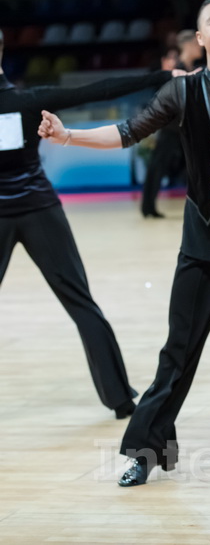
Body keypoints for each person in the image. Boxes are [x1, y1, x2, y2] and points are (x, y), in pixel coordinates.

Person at [38, 0, 210, 487]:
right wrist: (68, 135)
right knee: (178, 351)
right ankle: (147, 451)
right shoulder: (181, 92)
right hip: (202, 238)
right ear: (201, 37)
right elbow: (128, 131)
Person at [0, 28, 177, 417]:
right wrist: (163, 76)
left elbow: (100, 89)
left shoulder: (29, 100)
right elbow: (100, 90)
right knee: (81, 303)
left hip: (22, 212)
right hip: (40, 211)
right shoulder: (30, 100)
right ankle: (120, 399)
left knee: (82, 304)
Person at [140, 32, 204, 218]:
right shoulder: (176, 69)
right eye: (197, 43)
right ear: (188, 45)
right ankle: (148, 206)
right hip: (172, 126)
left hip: (190, 127)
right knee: (158, 165)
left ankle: (203, 205)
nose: (200, 47)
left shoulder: (197, 68)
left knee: (200, 166)